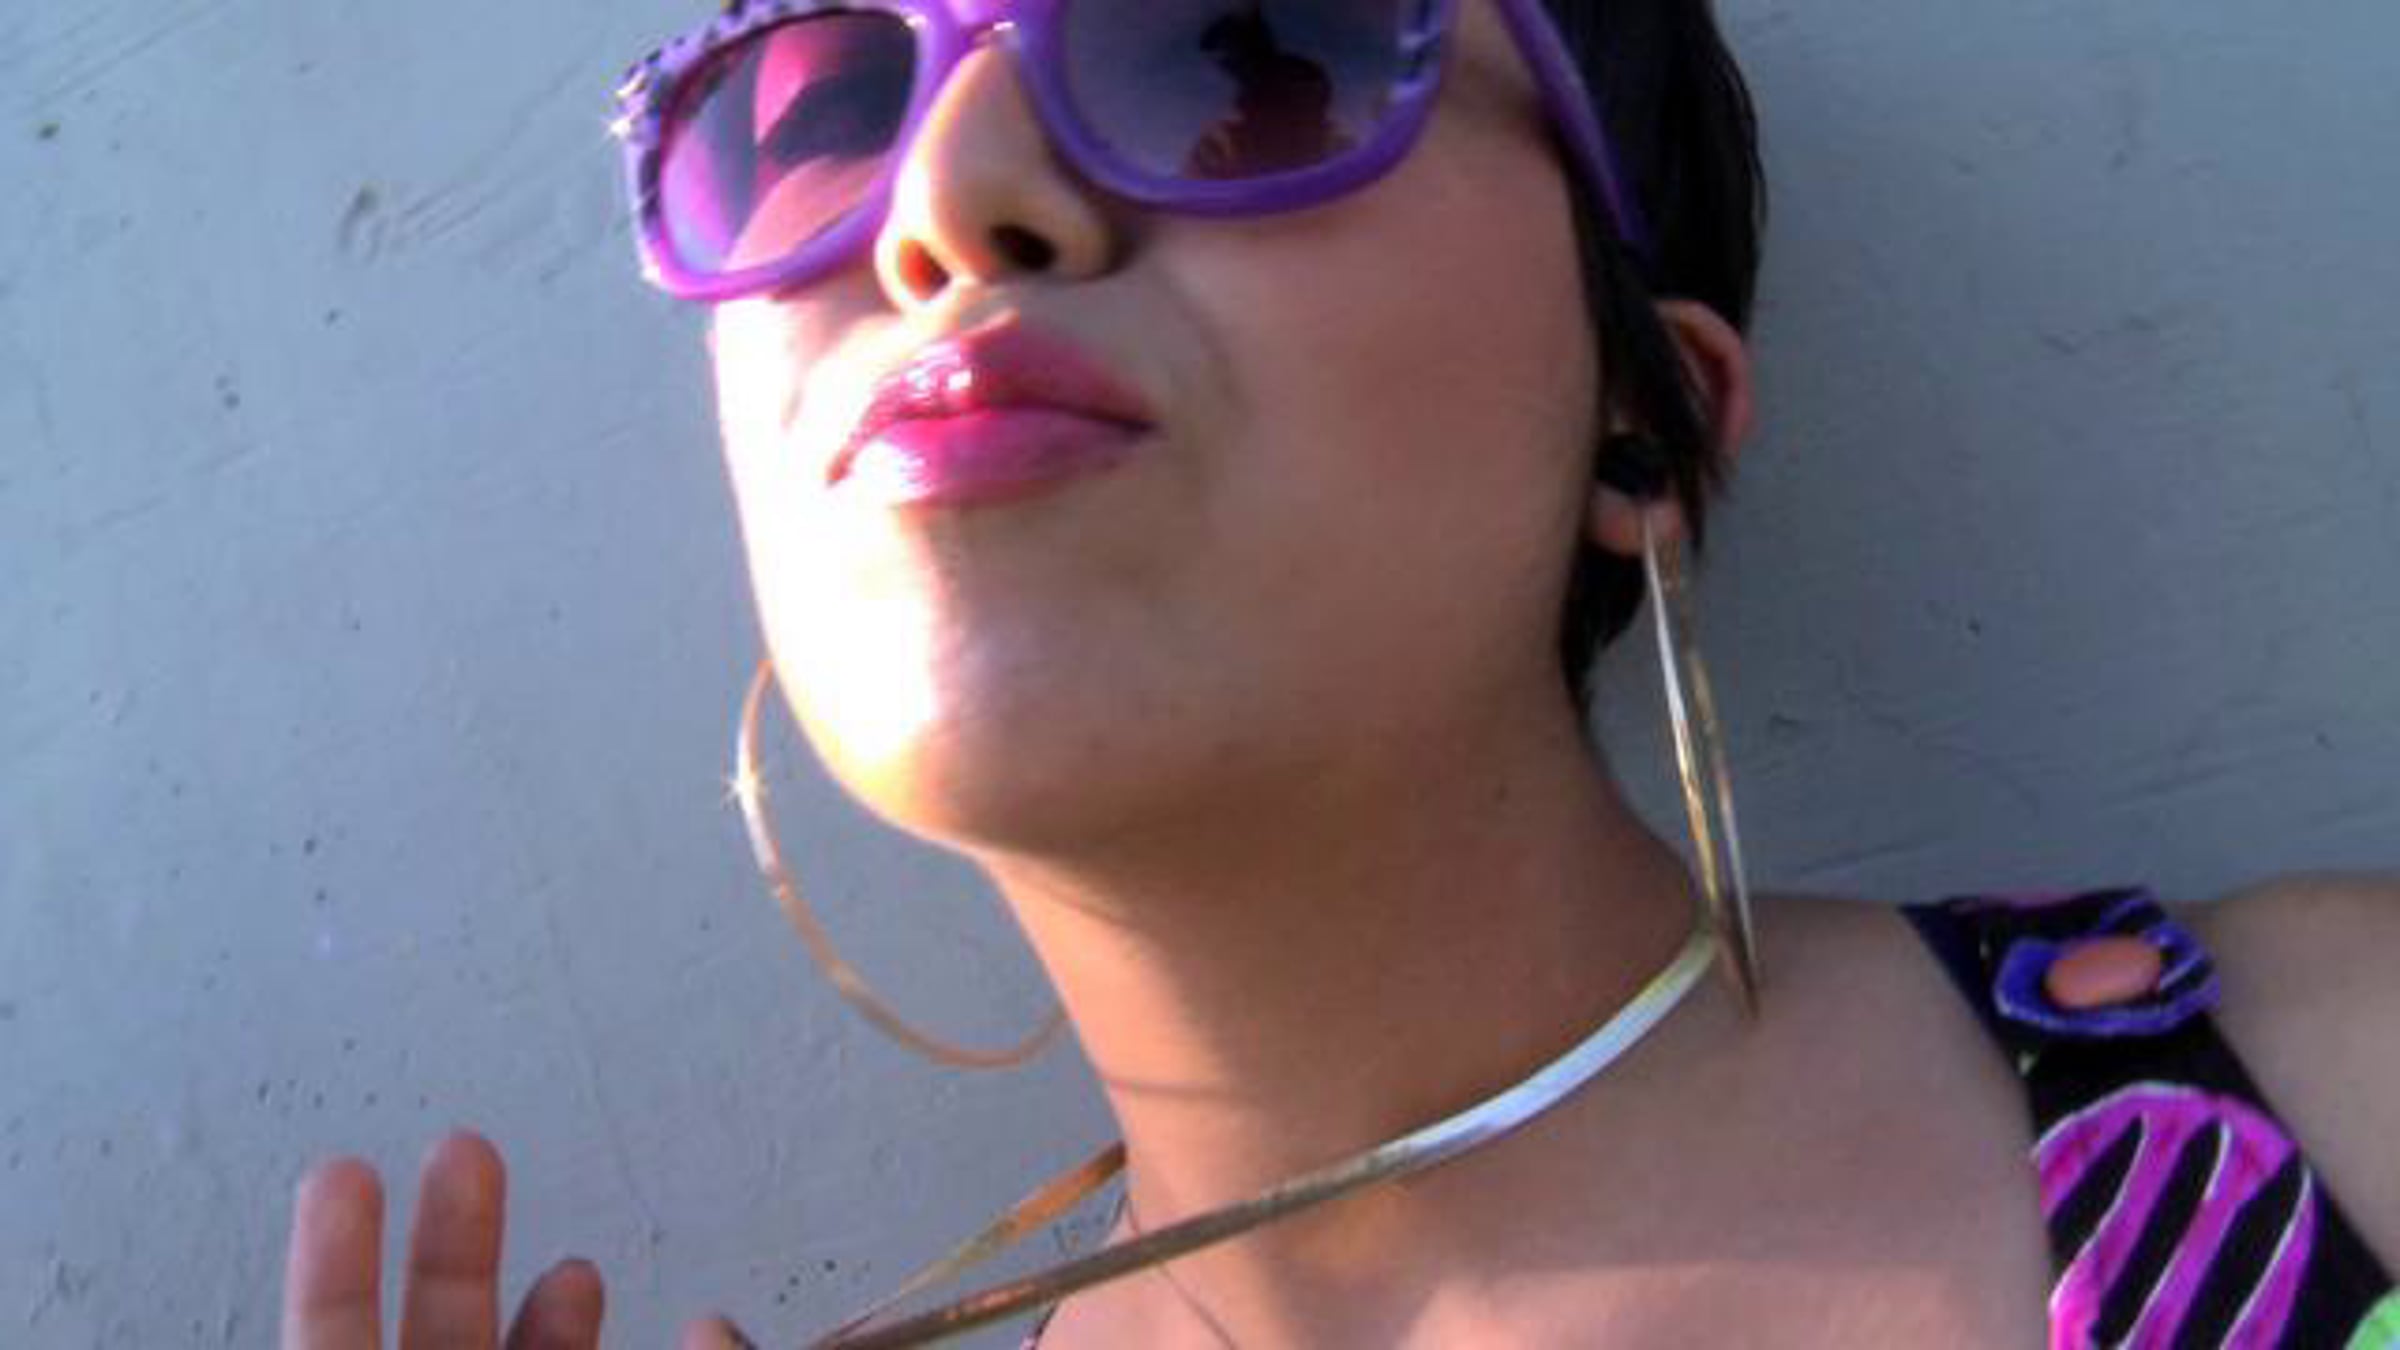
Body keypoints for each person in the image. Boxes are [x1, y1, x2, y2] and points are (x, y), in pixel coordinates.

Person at [279, 1, 2400, 1346]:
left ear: (1645, 421)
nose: (948, 202)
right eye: (817, 101)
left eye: (1238, 47)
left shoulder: (2352, 1093)